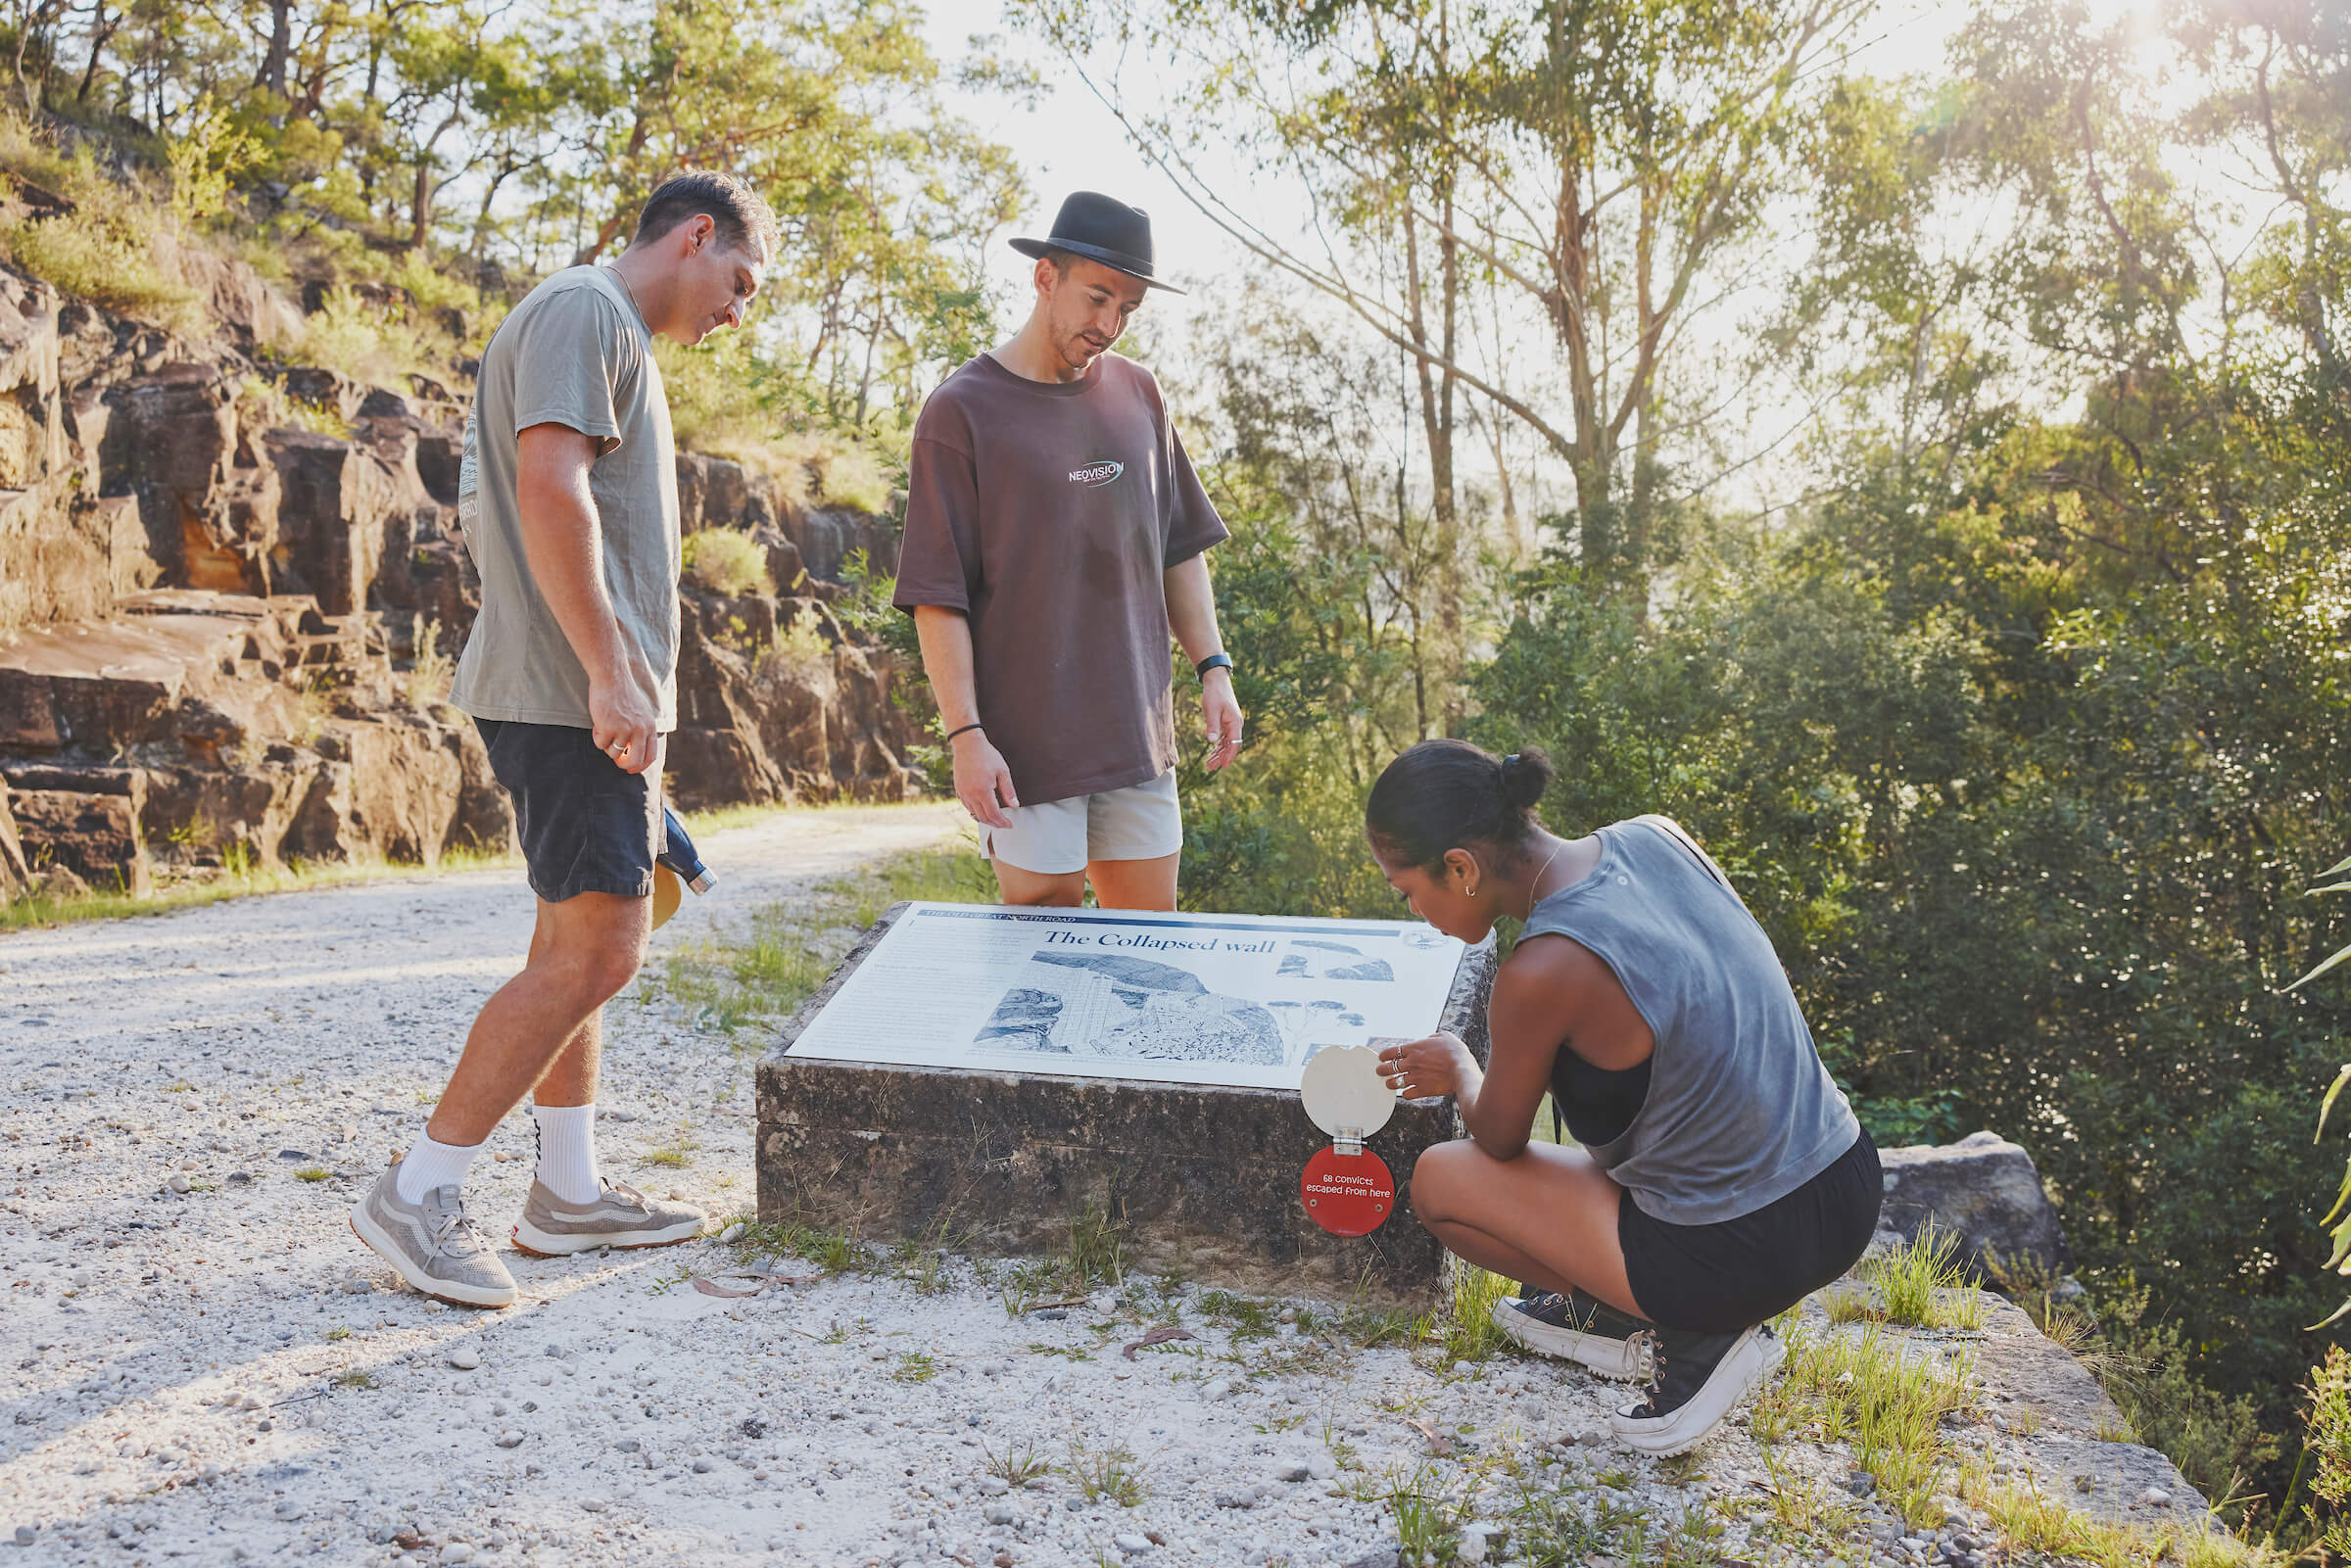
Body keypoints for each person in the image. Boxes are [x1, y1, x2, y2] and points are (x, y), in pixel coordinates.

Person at [350, 171, 778, 1308]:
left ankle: (568, 1191)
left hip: (578, 691)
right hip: (566, 690)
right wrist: (609, 671)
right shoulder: (589, 313)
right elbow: (551, 491)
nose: (740, 309)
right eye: (740, 280)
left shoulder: (600, 325)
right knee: (600, 951)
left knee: (574, 945)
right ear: (696, 236)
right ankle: (418, 1191)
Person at [1366, 740, 1880, 1455]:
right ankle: (1628, 1310)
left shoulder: (1542, 969)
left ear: (1461, 866)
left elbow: (1498, 1138)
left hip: (1744, 1248)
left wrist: (1458, 1063)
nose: (1416, 910)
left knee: (1440, 1183)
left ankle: (1695, 1333)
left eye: (1407, 889)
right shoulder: (1655, 835)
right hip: (1847, 1180)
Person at [893, 190, 1242, 913]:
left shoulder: (1141, 395)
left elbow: (1177, 546)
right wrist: (966, 736)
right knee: (1042, 975)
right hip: (1030, 754)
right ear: (1044, 277)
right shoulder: (960, 411)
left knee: (1150, 962)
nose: (1110, 325)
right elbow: (938, 595)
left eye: (1128, 308)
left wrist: (1214, 667)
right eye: (1098, 298)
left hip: (1139, 741)